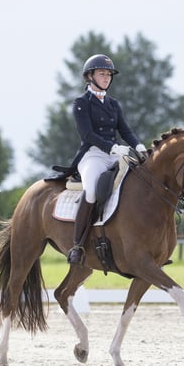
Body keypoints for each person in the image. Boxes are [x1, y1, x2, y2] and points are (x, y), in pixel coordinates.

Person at [66, 53, 148, 265]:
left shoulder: (113, 104)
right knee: (92, 191)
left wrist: (138, 145)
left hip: (116, 155)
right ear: (90, 76)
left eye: (109, 75)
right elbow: (88, 135)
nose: (107, 78)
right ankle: (77, 244)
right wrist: (113, 147)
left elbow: (125, 130)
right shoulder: (81, 103)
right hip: (92, 155)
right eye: (102, 74)